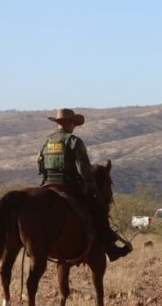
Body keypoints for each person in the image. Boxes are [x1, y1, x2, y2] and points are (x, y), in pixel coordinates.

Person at [37, 108, 131, 261]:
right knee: (99, 209)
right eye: (73, 123)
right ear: (69, 123)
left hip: (48, 183)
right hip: (68, 185)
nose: (74, 126)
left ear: (57, 123)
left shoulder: (47, 142)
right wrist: (91, 186)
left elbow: (39, 165)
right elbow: (83, 168)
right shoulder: (74, 141)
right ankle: (111, 249)